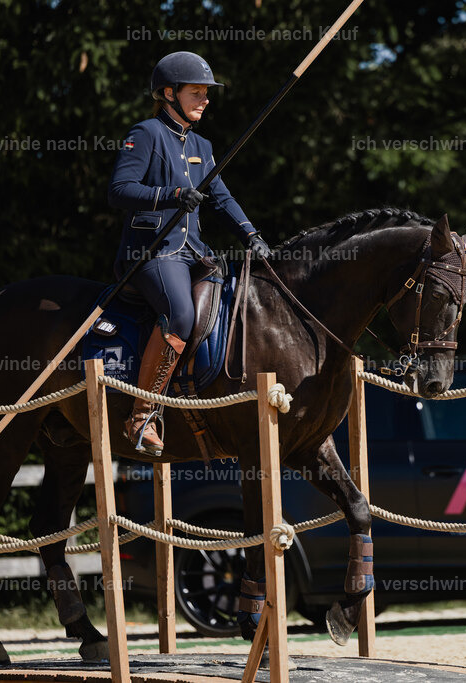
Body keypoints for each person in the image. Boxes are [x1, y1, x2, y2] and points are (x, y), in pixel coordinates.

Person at [108, 51, 270, 456]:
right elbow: (120, 190)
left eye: (206, 93)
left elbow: (222, 197)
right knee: (180, 314)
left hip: (193, 253)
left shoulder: (201, 144)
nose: (205, 99)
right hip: (152, 253)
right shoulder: (145, 134)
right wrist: (172, 195)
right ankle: (142, 415)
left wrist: (252, 234)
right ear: (168, 93)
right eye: (196, 92)